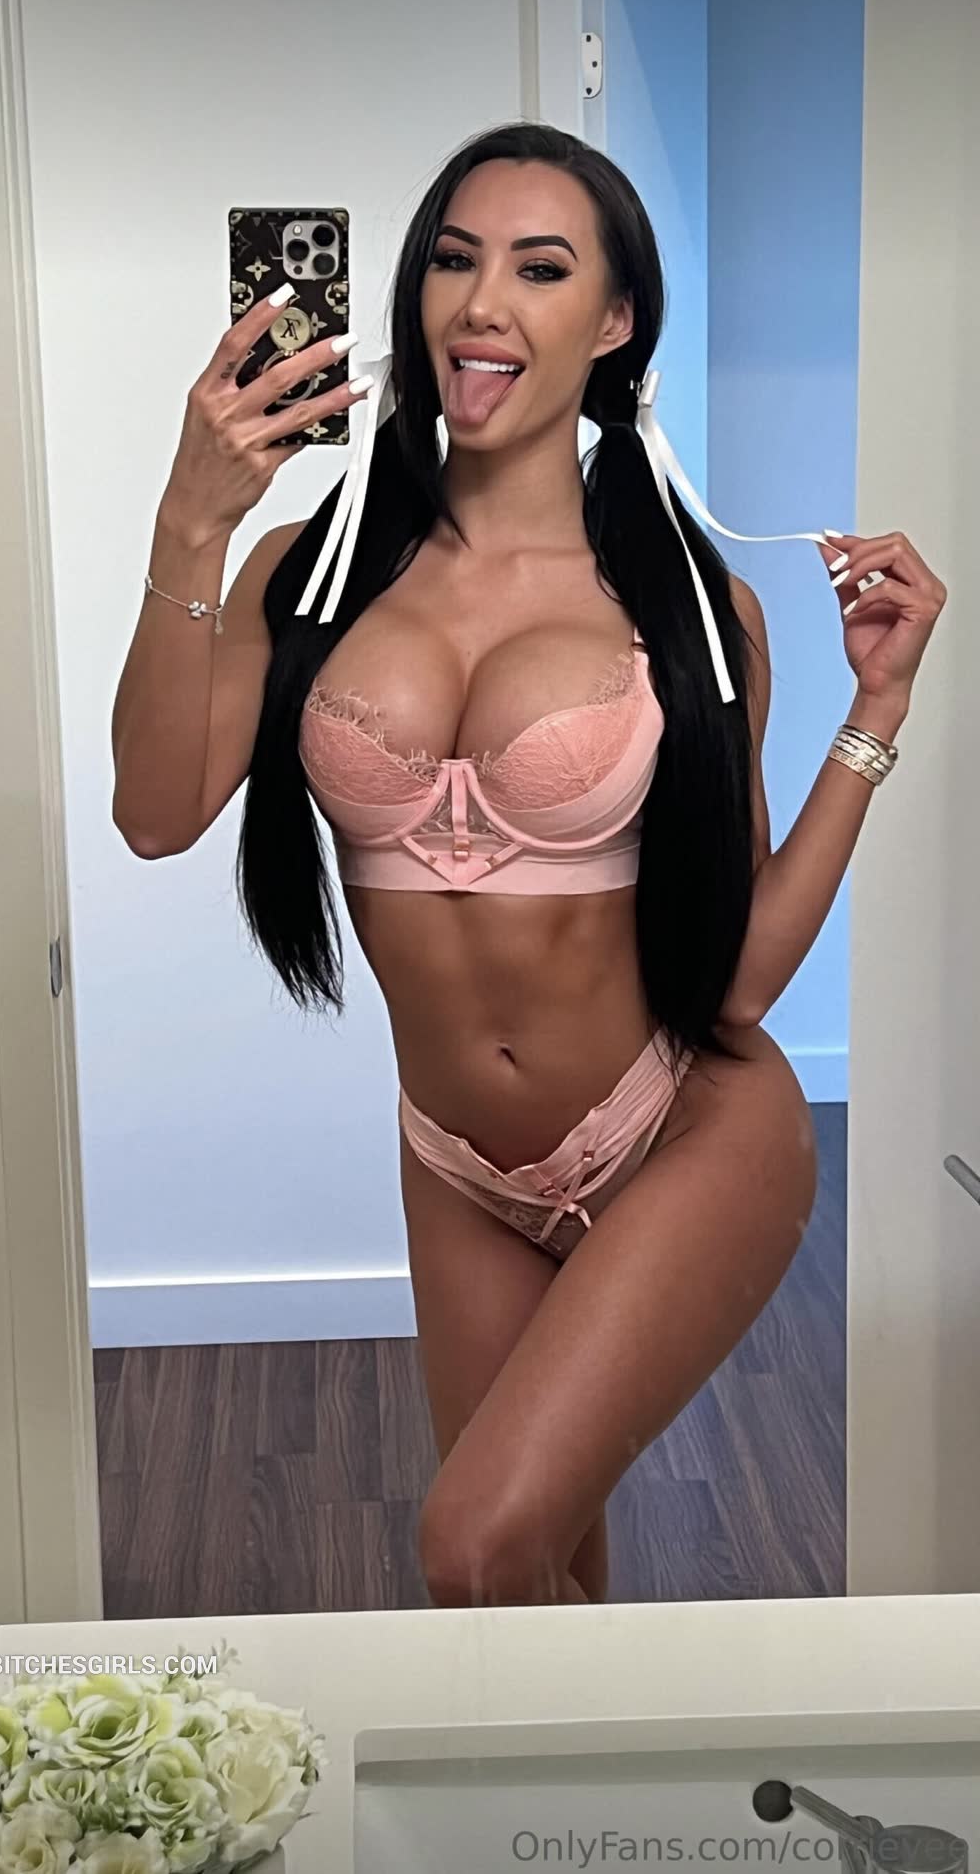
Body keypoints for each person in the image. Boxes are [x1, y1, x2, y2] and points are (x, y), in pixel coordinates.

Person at [111, 122, 947, 1609]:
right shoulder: (308, 569)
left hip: (684, 1128)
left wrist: (871, 715)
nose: (482, 303)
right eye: (454, 259)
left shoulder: (693, 603)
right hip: (457, 1160)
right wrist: (193, 520)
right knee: (532, 1584)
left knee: (474, 1546)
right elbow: (156, 811)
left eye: (540, 269)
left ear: (615, 323)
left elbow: (741, 979)